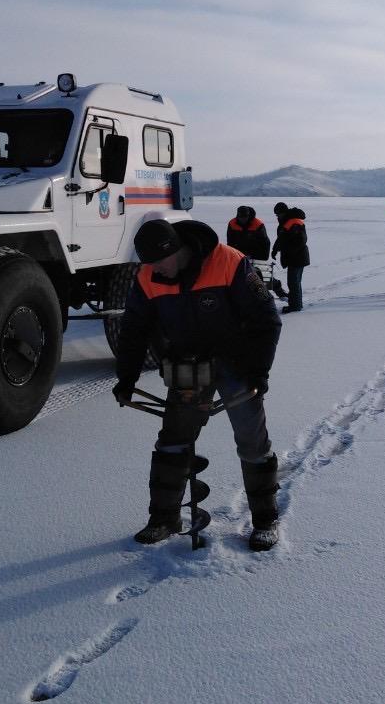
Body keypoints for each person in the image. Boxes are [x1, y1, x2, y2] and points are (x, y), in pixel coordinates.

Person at [112, 218, 284, 551]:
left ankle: (265, 520)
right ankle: (164, 519)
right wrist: (127, 377)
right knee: (173, 441)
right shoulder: (148, 276)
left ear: (177, 248)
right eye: (149, 263)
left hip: (236, 365)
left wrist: (259, 371)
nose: (156, 269)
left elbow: (267, 320)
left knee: (252, 440)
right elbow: (134, 329)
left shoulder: (229, 262)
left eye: (161, 261)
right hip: (187, 365)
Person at [271, 202, 309, 313]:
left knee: (293, 283)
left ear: (284, 212)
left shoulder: (294, 222)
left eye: (279, 214)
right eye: (276, 214)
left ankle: (295, 306)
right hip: (294, 257)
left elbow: (301, 240)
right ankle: (296, 304)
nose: (277, 216)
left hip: (297, 257)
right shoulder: (286, 222)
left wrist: (290, 251)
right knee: (294, 282)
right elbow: (281, 239)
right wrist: (275, 250)